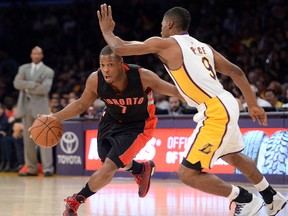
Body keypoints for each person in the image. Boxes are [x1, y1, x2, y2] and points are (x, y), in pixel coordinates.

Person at [98, 4, 287, 216]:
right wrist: (252, 103)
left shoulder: (165, 43)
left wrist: (107, 31)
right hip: (227, 101)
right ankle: (272, 197)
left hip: (214, 110)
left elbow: (120, 47)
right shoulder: (203, 47)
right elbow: (236, 71)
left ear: (169, 24)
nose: (160, 29)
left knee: (187, 173)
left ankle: (245, 199)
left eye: (162, 25)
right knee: (233, 156)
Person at [38, 45, 183, 216]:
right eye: (102, 65)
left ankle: (76, 200)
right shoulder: (95, 80)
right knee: (107, 160)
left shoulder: (142, 76)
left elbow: (175, 91)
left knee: (109, 166)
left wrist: (207, 99)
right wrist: (54, 118)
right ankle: (140, 169)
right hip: (111, 121)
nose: (106, 69)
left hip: (138, 125)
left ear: (121, 63)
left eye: (110, 65)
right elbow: (81, 104)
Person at [13, 46, 55, 176]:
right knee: (27, 139)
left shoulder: (48, 71)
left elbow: (45, 89)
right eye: (34, 53)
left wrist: (26, 86)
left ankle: (48, 168)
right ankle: (31, 168)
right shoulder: (23, 68)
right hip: (25, 107)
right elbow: (16, 84)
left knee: (45, 137)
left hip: (41, 108)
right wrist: (34, 84)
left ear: (42, 56)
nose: (36, 55)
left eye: (39, 53)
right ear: (31, 55)